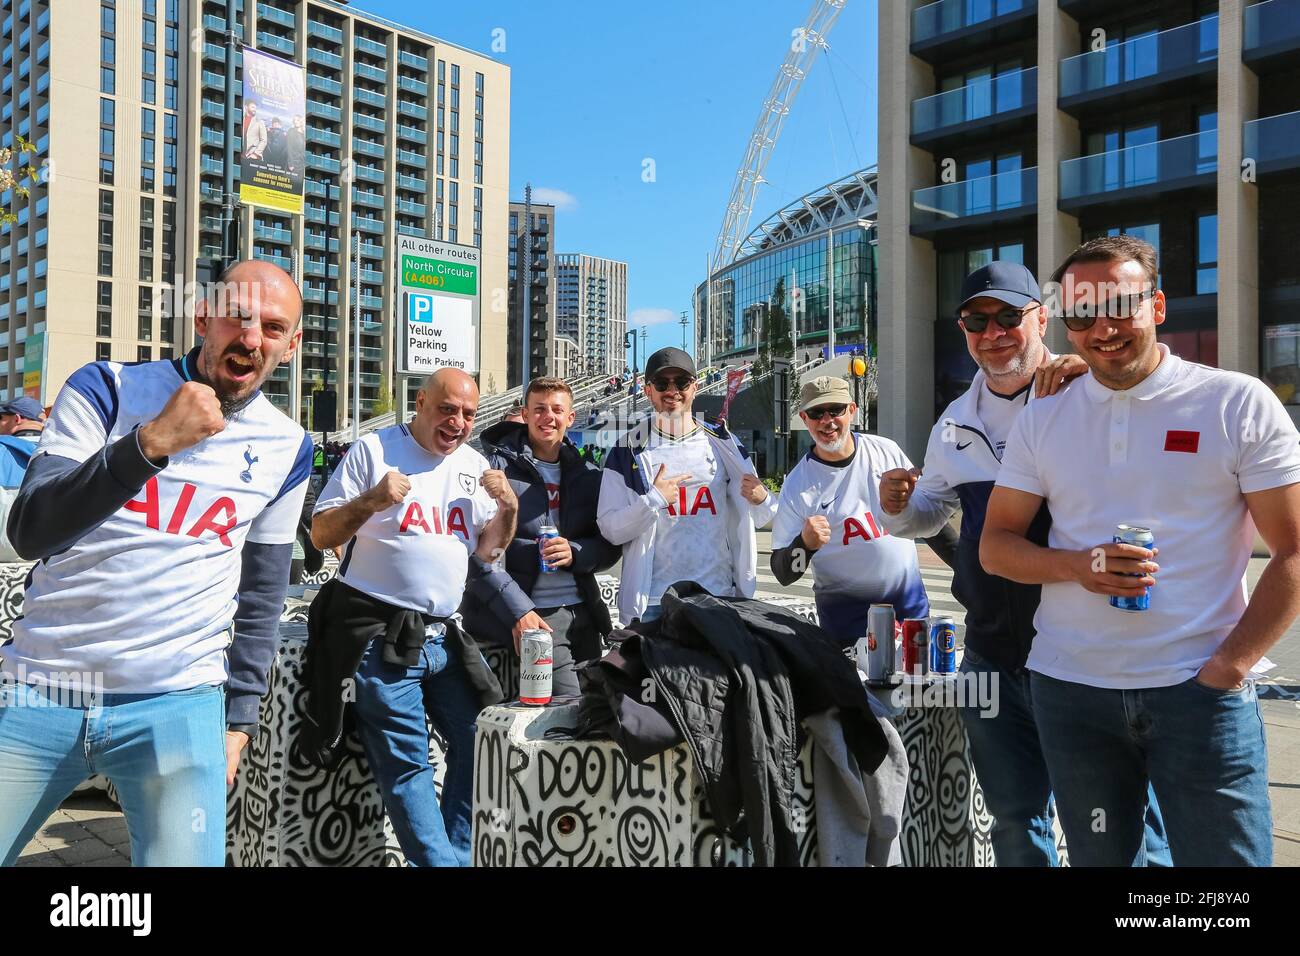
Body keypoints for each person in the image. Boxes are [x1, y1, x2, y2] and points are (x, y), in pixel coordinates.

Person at [980, 235, 1300, 866]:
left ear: (1156, 306)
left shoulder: (1234, 402)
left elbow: (1293, 551)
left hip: (1199, 696)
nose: (1102, 328)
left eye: (1118, 305)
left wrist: (1228, 669)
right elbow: (996, 546)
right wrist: (1078, 567)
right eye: (1081, 314)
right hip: (1072, 694)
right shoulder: (1044, 417)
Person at [0, 260, 313, 866]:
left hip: (178, 701)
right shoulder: (108, 388)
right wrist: (149, 446)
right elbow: (33, 528)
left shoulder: (289, 446)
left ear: (292, 345)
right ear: (204, 318)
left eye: (273, 327)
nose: (251, 339)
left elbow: (262, 593)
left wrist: (239, 721)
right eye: (238, 318)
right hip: (46, 684)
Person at [876, 260, 1170, 867]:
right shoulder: (954, 421)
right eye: (976, 320)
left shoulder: (1089, 392)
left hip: (1083, 654)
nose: (994, 332)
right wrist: (902, 509)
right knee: (1014, 820)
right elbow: (934, 513)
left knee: (1122, 830)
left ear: (1041, 318)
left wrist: (1094, 368)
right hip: (991, 652)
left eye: (1010, 316)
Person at [308, 368, 516, 867]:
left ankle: (455, 858)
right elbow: (319, 534)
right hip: (378, 634)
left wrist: (508, 507)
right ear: (420, 403)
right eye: (447, 409)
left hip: (444, 636)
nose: (459, 422)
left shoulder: (474, 465)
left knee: (476, 742)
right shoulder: (373, 451)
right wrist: (373, 499)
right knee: (409, 765)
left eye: (468, 413)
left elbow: (488, 551)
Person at [598, 347, 776, 625]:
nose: (672, 391)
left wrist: (763, 498)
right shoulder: (627, 449)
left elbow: (765, 514)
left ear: (695, 387)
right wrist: (653, 500)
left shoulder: (724, 443)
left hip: (717, 597)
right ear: (648, 391)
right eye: (661, 384)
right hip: (654, 603)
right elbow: (609, 529)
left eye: (681, 382)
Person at [469, 377, 619, 696]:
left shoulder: (588, 474)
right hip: (536, 616)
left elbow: (609, 545)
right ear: (525, 414)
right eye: (538, 409)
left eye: (556, 409)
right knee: (566, 706)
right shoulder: (495, 470)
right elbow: (479, 552)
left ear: (570, 417)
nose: (547, 417)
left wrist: (576, 551)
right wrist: (517, 611)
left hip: (584, 612)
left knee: (595, 708)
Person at [770, 375, 929, 646]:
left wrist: (966, 571)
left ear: (852, 411)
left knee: (917, 688)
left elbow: (926, 516)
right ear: (804, 419)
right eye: (816, 412)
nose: (827, 420)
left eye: (836, 410)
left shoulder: (886, 451)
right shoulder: (798, 485)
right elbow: (784, 572)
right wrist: (804, 545)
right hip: (848, 633)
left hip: (911, 617)